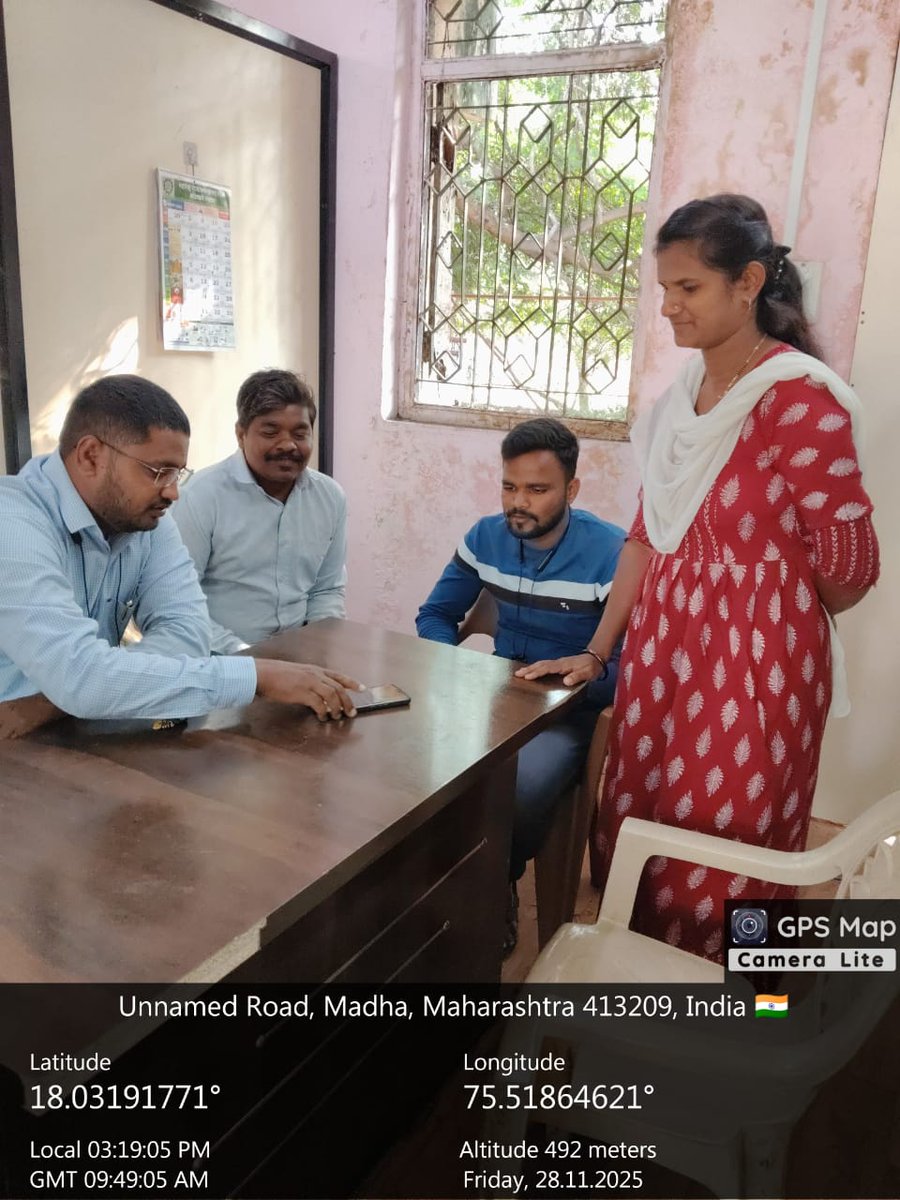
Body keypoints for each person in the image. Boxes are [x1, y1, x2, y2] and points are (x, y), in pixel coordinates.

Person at [519, 194, 879, 961]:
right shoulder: (681, 403)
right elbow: (647, 536)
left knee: (727, 845)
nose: (670, 307)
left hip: (754, 666)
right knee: (639, 822)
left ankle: (743, 1008)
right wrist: (598, 651)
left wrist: (769, 602)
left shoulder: (799, 401)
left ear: (747, 283)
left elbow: (851, 567)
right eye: (664, 289)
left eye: (689, 288)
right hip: (661, 654)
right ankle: (643, 990)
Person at [0, 375, 359, 725]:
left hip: (69, 731)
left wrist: (70, 696)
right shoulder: (13, 526)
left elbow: (188, 633)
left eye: (176, 473)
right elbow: (81, 680)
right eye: (158, 471)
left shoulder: (145, 520)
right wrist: (255, 677)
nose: (173, 492)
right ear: (91, 456)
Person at [416, 417, 624, 952]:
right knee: (410, 765)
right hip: (493, 697)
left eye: (537, 489)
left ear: (571, 490)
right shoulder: (485, 537)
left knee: (519, 786)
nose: (518, 503)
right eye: (509, 487)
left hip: (569, 710)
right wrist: (451, 665)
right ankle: (425, 889)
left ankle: (494, 886)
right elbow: (436, 615)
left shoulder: (610, 553)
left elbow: (632, 665)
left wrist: (579, 675)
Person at [173, 369, 346, 653]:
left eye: (300, 433)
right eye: (270, 432)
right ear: (241, 434)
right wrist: (248, 659)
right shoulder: (200, 497)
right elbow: (178, 604)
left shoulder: (330, 497)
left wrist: (318, 650)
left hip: (301, 658)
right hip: (216, 661)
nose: (288, 445)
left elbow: (327, 590)